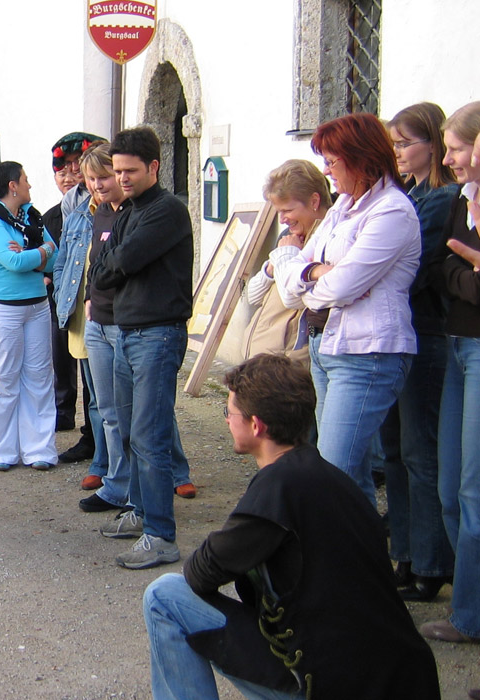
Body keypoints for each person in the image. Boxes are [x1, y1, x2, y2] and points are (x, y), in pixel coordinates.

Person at [142, 353, 440, 700]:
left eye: (230, 413)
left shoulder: (278, 489)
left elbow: (200, 572)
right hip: (398, 678)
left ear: (257, 425)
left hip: (330, 683)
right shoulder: (333, 479)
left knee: (164, 596)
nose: (226, 421)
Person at [268, 113, 420, 505]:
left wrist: (310, 279)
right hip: (328, 346)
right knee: (347, 476)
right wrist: (313, 271)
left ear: (361, 158)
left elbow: (341, 286)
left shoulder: (391, 211)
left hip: (368, 352)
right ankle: (359, 559)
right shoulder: (343, 208)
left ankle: (348, 560)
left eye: (332, 161)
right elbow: (294, 289)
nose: (327, 171)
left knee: (334, 472)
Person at [91, 126, 193, 569]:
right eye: (117, 171)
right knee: (131, 430)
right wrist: (111, 262)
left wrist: (112, 261)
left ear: (154, 166)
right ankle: (139, 511)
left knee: (150, 437)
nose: (122, 178)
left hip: (156, 333)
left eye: (130, 170)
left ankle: (161, 535)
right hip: (128, 331)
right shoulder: (129, 210)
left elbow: (121, 262)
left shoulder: (166, 211)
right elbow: (101, 268)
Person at [381, 102, 458, 601]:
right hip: (400, 330)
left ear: (433, 143)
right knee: (394, 453)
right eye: (395, 145)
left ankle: (431, 563)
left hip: (426, 331)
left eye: (406, 143)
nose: (400, 153)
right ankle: (405, 555)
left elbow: (414, 263)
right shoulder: (407, 194)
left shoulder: (441, 199)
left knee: (419, 451)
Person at [424, 100, 480, 645]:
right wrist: (467, 273)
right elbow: (443, 268)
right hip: (458, 344)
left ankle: (470, 616)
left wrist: (463, 274)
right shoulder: (463, 203)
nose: (450, 158)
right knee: (450, 487)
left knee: (472, 491)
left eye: (459, 148)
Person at [0, 161, 58, 471]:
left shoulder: (31, 216)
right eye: (25, 180)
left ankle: (40, 450)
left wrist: (34, 254)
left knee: (39, 378)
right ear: (12, 185)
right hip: (3, 310)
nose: (29, 185)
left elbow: (56, 257)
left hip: (37, 306)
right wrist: (39, 252)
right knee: (4, 378)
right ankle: (1, 452)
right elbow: (12, 262)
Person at [243, 161, 332, 363]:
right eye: (278, 211)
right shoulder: (289, 237)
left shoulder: (328, 239)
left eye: (288, 210)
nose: (282, 219)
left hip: (289, 359)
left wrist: (286, 256)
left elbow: (291, 297)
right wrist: (272, 266)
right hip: (264, 355)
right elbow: (253, 295)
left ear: (314, 201)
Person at [46, 133, 98, 461]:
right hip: (70, 297)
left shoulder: (105, 205)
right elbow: (65, 252)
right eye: (63, 169)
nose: (71, 175)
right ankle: (91, 438)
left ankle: (101, 443)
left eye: (78, 168)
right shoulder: (65, 207)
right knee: (69, 359)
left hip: (98, 301)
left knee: (100, 382)